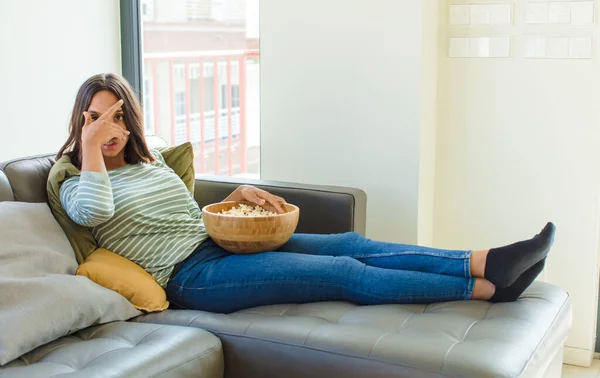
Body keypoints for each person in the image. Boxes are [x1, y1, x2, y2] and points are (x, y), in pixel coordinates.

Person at [56, 73, 555, 313]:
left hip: (220, 244)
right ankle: (485, 288)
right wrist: (92, 145)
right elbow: (94, 211)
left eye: (119, 115)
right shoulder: (77, 183)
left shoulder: (151, 160)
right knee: (342, 273)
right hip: (193, 276)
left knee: (350, 244)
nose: (112, 127)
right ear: (83, 121)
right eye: (98, 116)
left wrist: (238, 194)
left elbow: (188, 215)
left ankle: (486, 260)